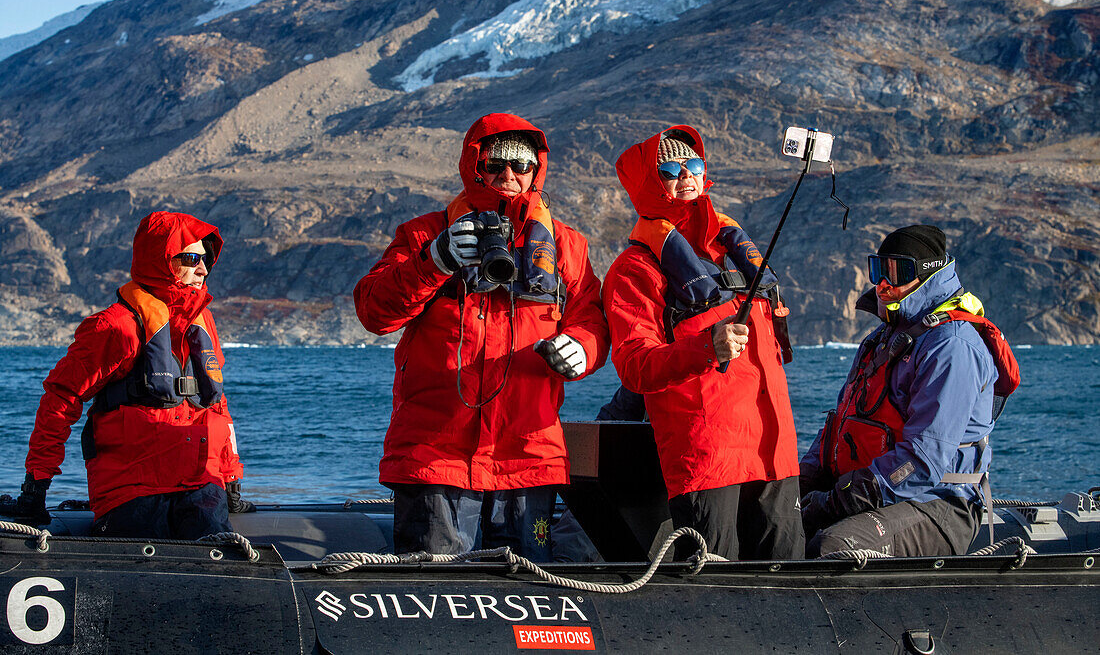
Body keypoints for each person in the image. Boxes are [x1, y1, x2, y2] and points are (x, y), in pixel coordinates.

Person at [354, 113, 609, 561]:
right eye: (495, 165)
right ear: (475, 165)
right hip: (436, 458)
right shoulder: (423, 234)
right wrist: (433, 261)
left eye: (522, 166)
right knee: (435, 599)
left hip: (530, 457)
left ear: (537, 171)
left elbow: (592, 320)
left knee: (532, 602)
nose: (509, 176)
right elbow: (374, 311)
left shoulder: (568, 246)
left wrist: (582, 349)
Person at [601, 125, 803, 561]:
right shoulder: (634, 270)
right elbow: (636, 367)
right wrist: (706, 347)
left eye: (693, 164)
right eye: (670, 169)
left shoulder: (734, 252)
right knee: (714, 590)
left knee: (790, 589)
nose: (686, 175)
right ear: (648, 183)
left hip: (775, 454)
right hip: (707, 460)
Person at [1, 211, 253, 538]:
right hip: (133, 492)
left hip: (202, 489)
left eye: (206, 259)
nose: (203, 269)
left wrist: (231, 482)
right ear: (160, 259)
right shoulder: (115, 326)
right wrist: (35, 489)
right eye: (191, 258)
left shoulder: (202, 323)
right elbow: (61, 400)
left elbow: (216, 406)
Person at [799, 225, 1020, 557]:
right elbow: (840, 424)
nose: (882, 284)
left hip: (939, 503)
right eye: (878, 270)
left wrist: (836, 502)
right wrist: (799, 484)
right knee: (777, 521)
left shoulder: (952, 346)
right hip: (876, 491)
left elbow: (923, 460)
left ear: (927, 275)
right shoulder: (880, 340)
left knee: (834, 547)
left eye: (896, 271)